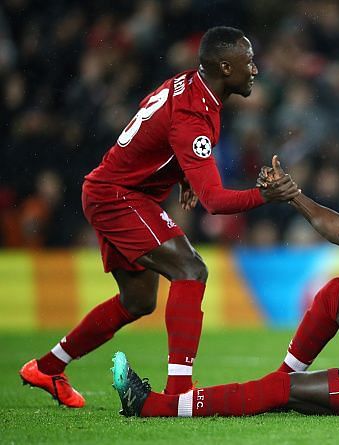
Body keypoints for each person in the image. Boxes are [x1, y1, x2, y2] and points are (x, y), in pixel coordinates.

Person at [19, 27, 300, 408]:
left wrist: (183, 172)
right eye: (247, 62)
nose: (254, 69)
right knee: (191, 269)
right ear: (223, 66)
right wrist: (266, 195)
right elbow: (214, 201)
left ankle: (48, 368)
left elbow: (157, 130)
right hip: (118, 197)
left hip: (119, 191)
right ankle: (178, 390)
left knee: (137, 301)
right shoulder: (193, 117)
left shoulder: (190, 86)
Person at [111, 157, 339, 417]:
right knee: (336, 293)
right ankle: (280, 383)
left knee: (282, 391)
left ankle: (154, 406)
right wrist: (292, 194)